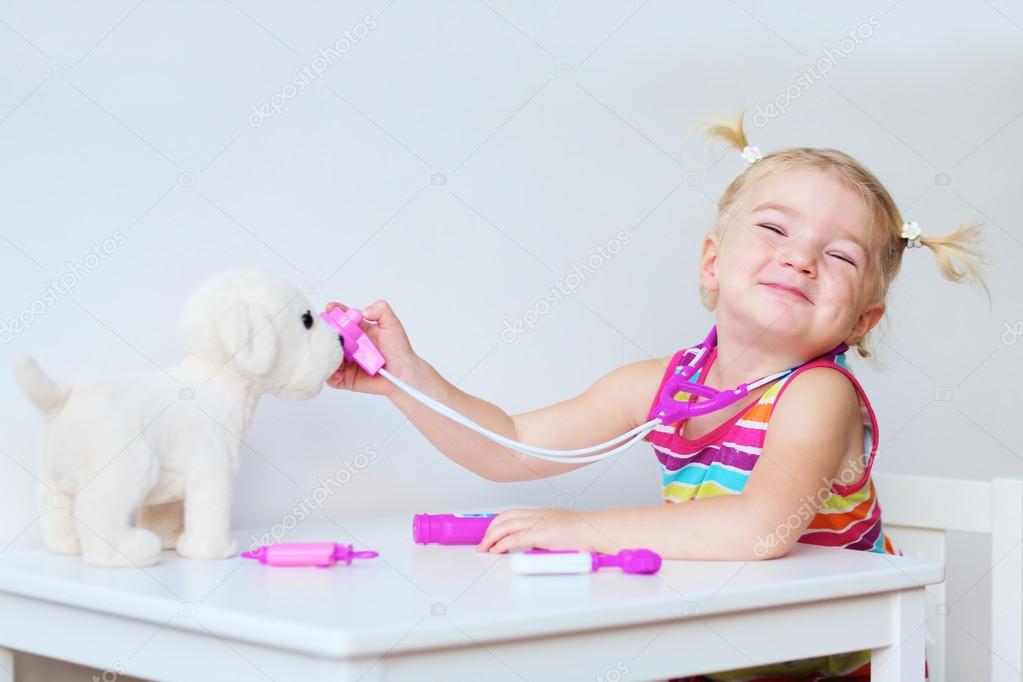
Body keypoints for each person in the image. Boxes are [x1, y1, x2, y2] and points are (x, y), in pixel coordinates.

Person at [324, 108, 989, 681]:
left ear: (860, 321)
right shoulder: (661, 385)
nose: (799, 259)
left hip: (828, 663)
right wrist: (406, 381)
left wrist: (584, 529)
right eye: (774, 230)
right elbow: (512, 446)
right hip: (712, 648)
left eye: (839, 256)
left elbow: (759, 530)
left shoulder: (817, 394)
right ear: (711, 263)